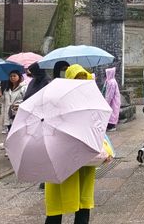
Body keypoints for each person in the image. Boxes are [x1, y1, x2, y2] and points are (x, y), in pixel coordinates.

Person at [44, 64, 98, 224]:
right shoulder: (58, 99)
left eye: (83, 78)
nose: (80, 82)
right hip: (62, 153)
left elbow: (97, 124)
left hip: (84, 151)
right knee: (56, 200)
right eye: (77, 78)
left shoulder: (91, 98)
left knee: (83, 200)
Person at [104, 67, 121, 132]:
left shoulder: (111, 82)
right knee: (113, 112)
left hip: (113, 101)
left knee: (112, 113)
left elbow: (110, 94)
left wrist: (106, 102)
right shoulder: (111, 81)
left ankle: (111, 126)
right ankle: (111, 125)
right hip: (114, 101)